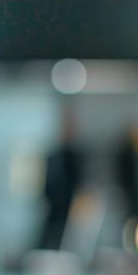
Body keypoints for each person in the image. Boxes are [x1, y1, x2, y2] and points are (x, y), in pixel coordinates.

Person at [37, 107, 83, 250]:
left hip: (71, 215)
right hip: (54, 213)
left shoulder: (77, 157)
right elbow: (47, 186)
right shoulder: (54, 156)